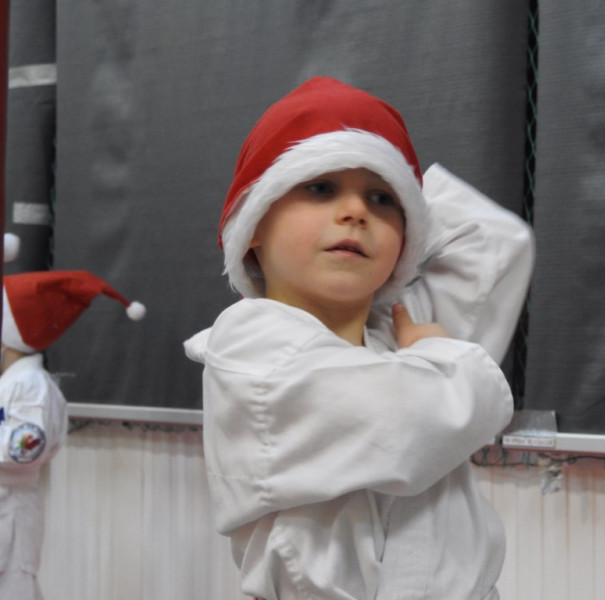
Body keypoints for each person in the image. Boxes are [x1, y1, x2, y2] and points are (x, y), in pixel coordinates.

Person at [183, 77, 534, 600]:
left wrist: (409, 200)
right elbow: (412, 423)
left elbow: (498, 244)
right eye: (320, 188)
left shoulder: (396, 333)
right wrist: (437, 350)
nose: (356, 212)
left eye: (381, 198)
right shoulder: (252, 343)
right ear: (254, 223)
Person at [0, 269, 145, 600]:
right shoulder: (11, 383)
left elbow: (24, 449)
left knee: (13, 588)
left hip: (11, 509)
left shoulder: (30, 386)